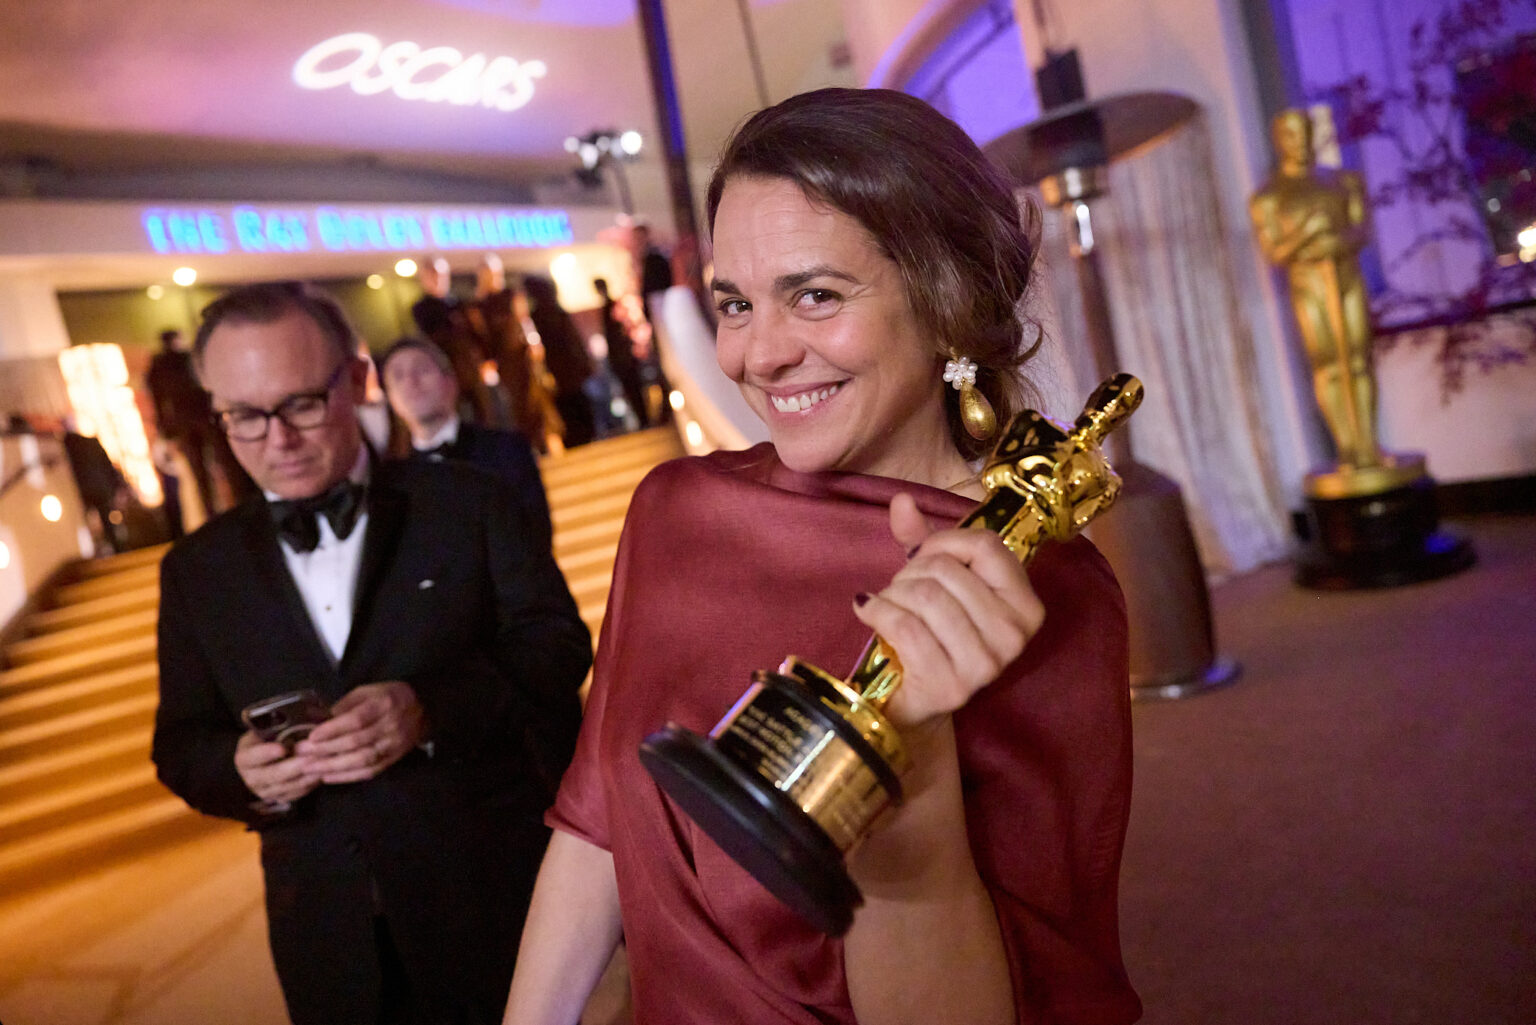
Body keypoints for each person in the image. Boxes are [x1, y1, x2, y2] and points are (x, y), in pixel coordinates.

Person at [503, 89, 1140, 1025]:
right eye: (735, 302)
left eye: (815, 295)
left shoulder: (1037, 584)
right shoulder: (678, 514)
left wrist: (909, 765)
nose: (758, 355)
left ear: (951, 302)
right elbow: (599, 819)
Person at [152, 282, 592, 1025]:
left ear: (356, 381)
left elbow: (556, 648)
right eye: (244, 417)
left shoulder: (467, 503)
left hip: (487, 896)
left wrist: (429, 708)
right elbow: (179, 745)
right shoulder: (197, 570)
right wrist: (239, 768)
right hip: (324, 927)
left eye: (300, 405)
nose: (278, 441)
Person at [1249, 108, 1381, 468]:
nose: (1300, 141)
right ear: (1279, 140)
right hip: (1309, 288)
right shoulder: (1270, 197)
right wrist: (1311, 232)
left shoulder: (1342, 181)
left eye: (1305, 131)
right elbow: (1274, 251)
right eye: (1290, 134)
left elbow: (1361, 229)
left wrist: (1337, 239)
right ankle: (1348, 449)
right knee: (1327, 365)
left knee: (1358, 359)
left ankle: (1369, 444)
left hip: (1346, 278)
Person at [379, 335, 553, 553]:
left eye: (421, 370)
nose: (411, 383)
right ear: (391, 399)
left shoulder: (504, 448)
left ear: (450, 382)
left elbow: (535, 530)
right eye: (398, 376)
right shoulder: (395, 481)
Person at [410, 255, 499, 427]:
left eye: (441, 275)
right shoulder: (422, 309)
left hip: (470, 369)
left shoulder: (460, 305)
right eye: (433, 275)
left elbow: (475, 334)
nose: (438, 280)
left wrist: (487, 358)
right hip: (446, 370)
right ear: (424, 278)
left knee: (485, 412)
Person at [522, 275, 595, 448]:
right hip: (569, 372)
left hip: (559, 373)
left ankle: (577, 439)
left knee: (569, 407)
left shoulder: (538, 317)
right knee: (576, 405)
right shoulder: (556, 313)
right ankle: (585, 436)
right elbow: (574, 341)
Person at [592, 277, 648, 429]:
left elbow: (621, 332)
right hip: (621, 357)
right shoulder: (609, 307)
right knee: (632, 389)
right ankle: (643, 418)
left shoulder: (613, 307)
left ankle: (644, 418)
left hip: (623, 357)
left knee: (634, 389)